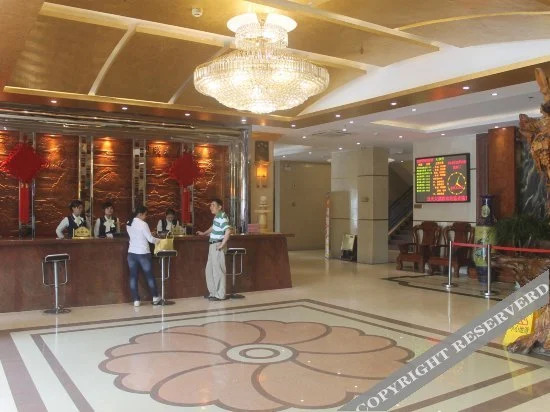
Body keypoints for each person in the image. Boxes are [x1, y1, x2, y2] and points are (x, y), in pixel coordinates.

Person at [126, 206, 161, 307]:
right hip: (143, 253)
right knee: (149, 276)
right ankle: (155, 297)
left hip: (131, 253)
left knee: (133, 277)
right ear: (140, 214)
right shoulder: (143, 224)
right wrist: (160, 240)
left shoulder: (128, 222)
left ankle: (136, 300)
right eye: (145, 214)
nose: (145, 217)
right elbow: (150, 239)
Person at [197, 198, 231, 301]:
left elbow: (228, 231)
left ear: (220, 207)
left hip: (217, 244)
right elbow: (213, 227)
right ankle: (213, 292)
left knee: (218, 270)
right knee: (209, 270)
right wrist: (204, 233)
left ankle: (220, 295)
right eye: (210, 205)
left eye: (213, 205)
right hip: (212, 245)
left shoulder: (223, 216)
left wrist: (222, 244)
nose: (211, 207)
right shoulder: (217, 217)